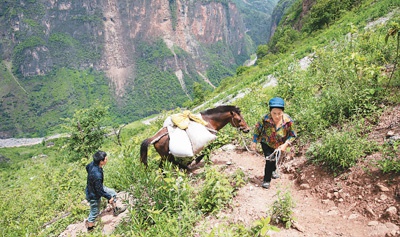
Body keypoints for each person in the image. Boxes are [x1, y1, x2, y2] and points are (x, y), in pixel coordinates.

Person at [250, 97, 296, 189]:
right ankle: (266, 180)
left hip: (279, 145)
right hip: (266, 142)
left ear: (283, 112)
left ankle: (273, 171)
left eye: (279, 113)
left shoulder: (288, 121)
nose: (277, 116)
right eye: (274, 113)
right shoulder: (265, 119)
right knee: (269, 160)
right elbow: (257, 130)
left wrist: (285, 144)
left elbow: (293, 135)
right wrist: (254, 141)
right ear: (270, 111)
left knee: (275, 158)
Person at [85, 150, 127, 231]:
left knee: (112, 193)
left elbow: (86, 167)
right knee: (94, 212)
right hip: (93, 194)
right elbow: (99, 191)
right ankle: (90, 228)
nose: (107, 160)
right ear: (101, 161)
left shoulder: (92, 164)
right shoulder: (97, 175)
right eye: (106, 159)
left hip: (95, 187)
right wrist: (108, 197)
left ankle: (116, 210)